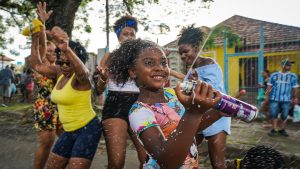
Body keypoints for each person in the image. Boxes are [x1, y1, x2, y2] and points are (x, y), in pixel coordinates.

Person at [108, 38, 224, 168]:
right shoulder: (139, 112)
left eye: (164, 63)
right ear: (133, 72)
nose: (159, 68)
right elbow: (168, 161)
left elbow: (192, 128)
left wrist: (218, 112)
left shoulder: (174, 94)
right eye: (149, 63)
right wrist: (193, 113)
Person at [30, 23, 102, 168]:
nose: (63, 65)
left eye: (68, 63)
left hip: (88, 129)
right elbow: (37, 65)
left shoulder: (81, 78)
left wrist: (67, 49)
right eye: (60, 61)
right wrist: (34, 37)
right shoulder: (59, 72)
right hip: (68, 131)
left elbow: (83, 72)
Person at [177, 25, 231, 169]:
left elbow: (212, 93)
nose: (183, 56)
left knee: (217, 161)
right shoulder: (191, 70)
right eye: (180, 53)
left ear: (195, 48)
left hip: (217, 114)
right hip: (199, 117)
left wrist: (196, 83)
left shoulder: (209, 63)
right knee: (185, 150)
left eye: (185, 51)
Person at [96, 15, 146, 169]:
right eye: (126, 34)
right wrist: (103, 79)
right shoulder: (109, 57)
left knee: (148, 159)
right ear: (119, 37)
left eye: (132, 34)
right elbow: (98, 90)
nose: (129, 37)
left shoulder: (143, 57)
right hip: (115, 106)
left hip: (140, 105)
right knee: (117, 163)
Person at [28, 2, 61, 169]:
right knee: (47, 141)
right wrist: (41, 24)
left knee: (65, 141)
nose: (51, 53)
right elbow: (41, 44)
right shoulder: (41, 64)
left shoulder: (61, 66)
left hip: (63, 105)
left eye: (53, 51)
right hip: (45, 105)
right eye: (48, 51)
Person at [265, 59, 299, 137]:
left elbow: (295, 88)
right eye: (288, 65)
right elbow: (269, 86)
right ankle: (274, 129)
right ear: (283, 65)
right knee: (274, 114)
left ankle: (282, 130)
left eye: (290, 65)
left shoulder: (293, 76)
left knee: (284, 115)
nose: (290, 66)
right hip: (274, 98)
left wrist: (295, 98)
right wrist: (266, 96)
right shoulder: (274, 75)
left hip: (286, 99)